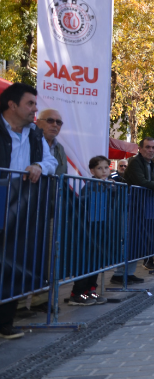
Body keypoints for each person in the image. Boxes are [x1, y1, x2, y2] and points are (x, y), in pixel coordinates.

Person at [0, 83, 59, 339]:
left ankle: (5, 321)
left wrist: (37, 165)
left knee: (13, 260)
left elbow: (51, 162)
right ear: (12, 105)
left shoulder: (35, 133)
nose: (35, 109)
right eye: (30, 104)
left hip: (21, 208)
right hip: (2, 199)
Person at [67, 155, 113, 306]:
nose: (104, 171)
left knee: (96, 262)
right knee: (86, 262)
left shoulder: (108, 185)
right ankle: (77, 293)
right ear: (92, 170)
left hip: (101, 229)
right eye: (100, 168)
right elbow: (85, 206)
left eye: (106, 167)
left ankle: (90, 290)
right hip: (89, 231)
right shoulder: (91, 186)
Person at [35, 108, 67, 175]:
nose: (55, 125)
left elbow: (64, 176)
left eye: (58, 122)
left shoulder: (60, 148)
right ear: (38, 122)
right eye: (50, 120)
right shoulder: (30, 142)